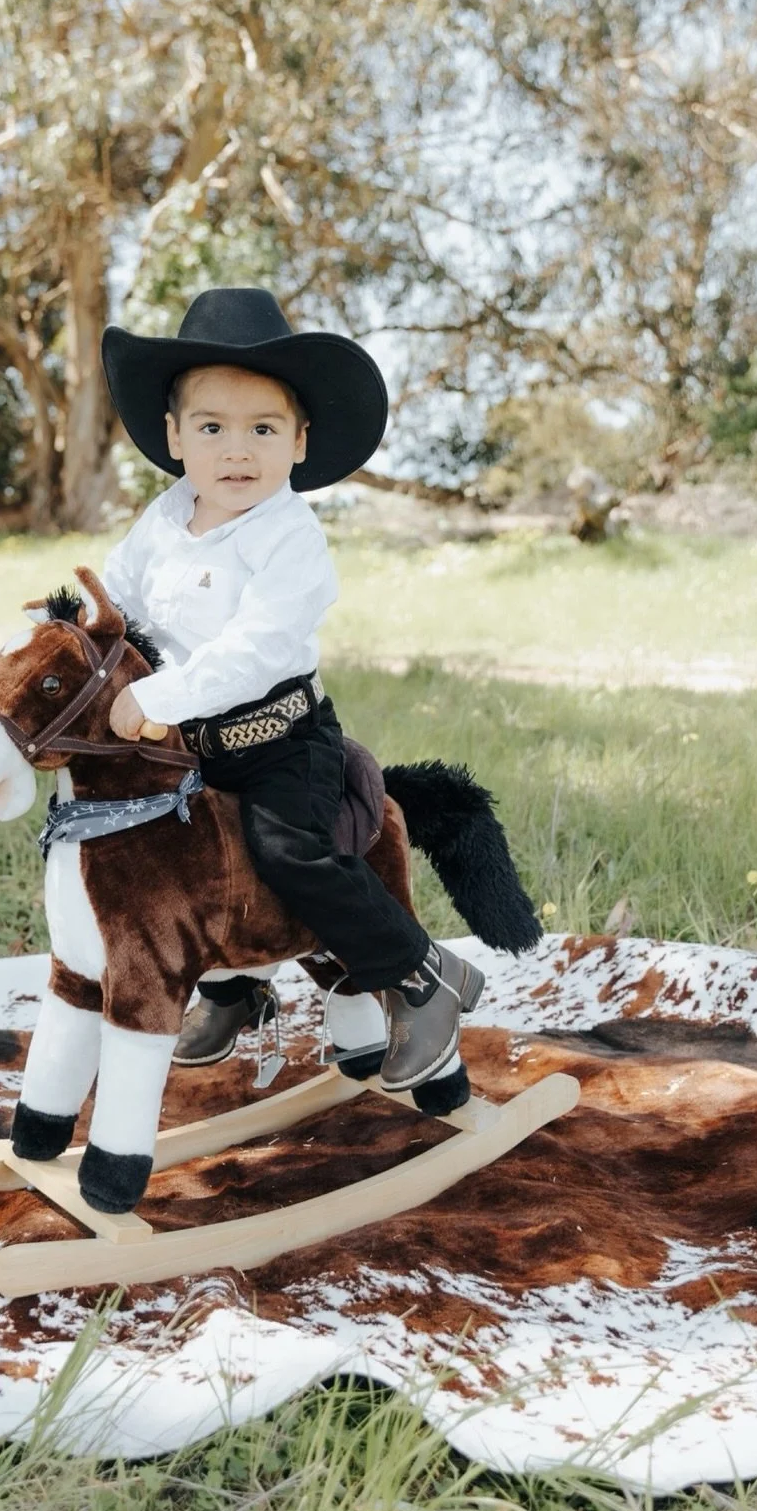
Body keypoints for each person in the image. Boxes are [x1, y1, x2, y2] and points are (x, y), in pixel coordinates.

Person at [98, 286, 484, 1094]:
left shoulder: (290, 536)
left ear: (300, 442)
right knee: (178, 855)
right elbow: (123, 605)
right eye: (212, 427)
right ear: (174, 436)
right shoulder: (163, 519)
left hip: (280, 742)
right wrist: (94, 645)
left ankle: (422, 974)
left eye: (263, 429)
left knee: (284, 849)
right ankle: (234, 986)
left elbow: (256, 648)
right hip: (192, 746)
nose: (237, 451)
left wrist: (160, 698)